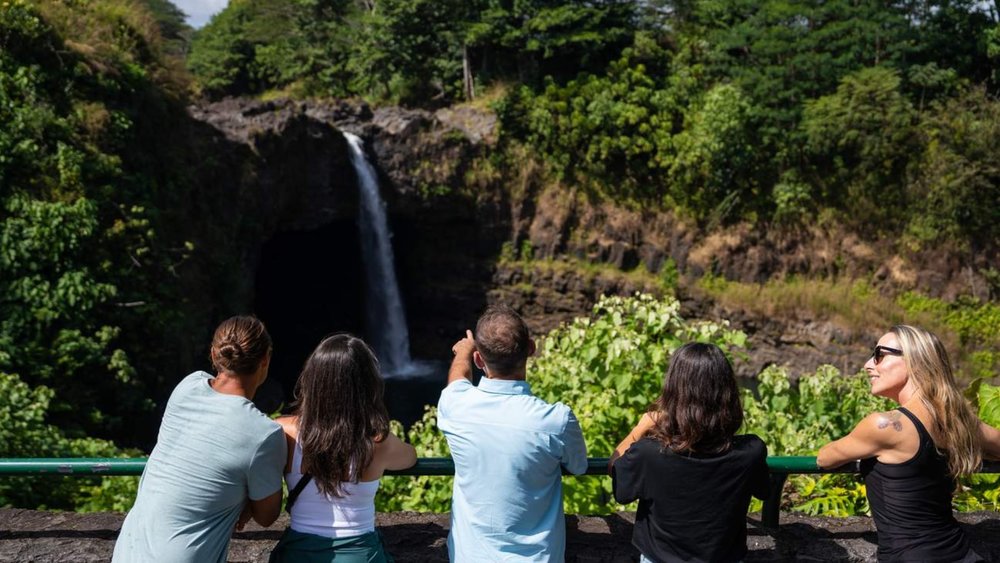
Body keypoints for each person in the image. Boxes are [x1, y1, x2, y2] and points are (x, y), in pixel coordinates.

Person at [817, 325, 1000, 562]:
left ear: (914, 361)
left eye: (879, 355)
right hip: (962, 554)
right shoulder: (959, 421)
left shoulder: (885, 425)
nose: (868, 364)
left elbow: (825, 458)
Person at [112, 315, 286, 563]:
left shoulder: (187, 388)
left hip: (128, 552)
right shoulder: (264, 434)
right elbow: (267, 516)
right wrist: (246, 497)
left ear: (214, 354)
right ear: (265, 360)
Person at [437, 304, 588, 562]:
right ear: (531, 348)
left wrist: (463, 351)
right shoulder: (556, 421)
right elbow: (579, 466)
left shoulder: (456, 406)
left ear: (479, 360)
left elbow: (457, 381)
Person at [609, 342, 769, 563]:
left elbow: (617, 476)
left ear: (673, 389)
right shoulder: (751, 451)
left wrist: (640, 427)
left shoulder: (649, 453)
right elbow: (764, 490)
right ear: (727, 392)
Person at [268, 334, 416, 563]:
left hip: (299, 554)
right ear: (367, 385)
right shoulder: (378, 442)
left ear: (312, 380)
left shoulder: (283, 432)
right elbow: (410, 457)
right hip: (361, 556)